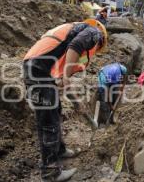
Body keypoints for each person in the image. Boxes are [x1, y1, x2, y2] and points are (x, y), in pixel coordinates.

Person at [23, 19, 107, 182]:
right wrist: (67, 75)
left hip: (37, 67)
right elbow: (75, 47)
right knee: (48, 120)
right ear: (101, 39)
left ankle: (59, 150)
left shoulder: (69, 36)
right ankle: (50, 173)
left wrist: (77, 104)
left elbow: (65, 84)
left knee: (55, 111)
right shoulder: (93, 32)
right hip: (38, 69)